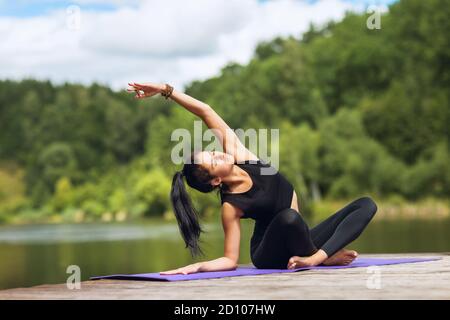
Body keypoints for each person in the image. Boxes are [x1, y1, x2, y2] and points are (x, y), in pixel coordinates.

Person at [127, 82, 378, 275]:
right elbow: (230, 260)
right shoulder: (231, 205)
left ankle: (316, 257)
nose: (220, 154)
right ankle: (321, 257)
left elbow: (206, 111)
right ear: (215, 181)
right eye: (215, 161)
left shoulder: (241, 155)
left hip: (300, 239)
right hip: (269, 254)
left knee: (366, 204)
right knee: (289, 218)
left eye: (213, 151)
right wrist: (198, 267)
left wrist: (165, 90)